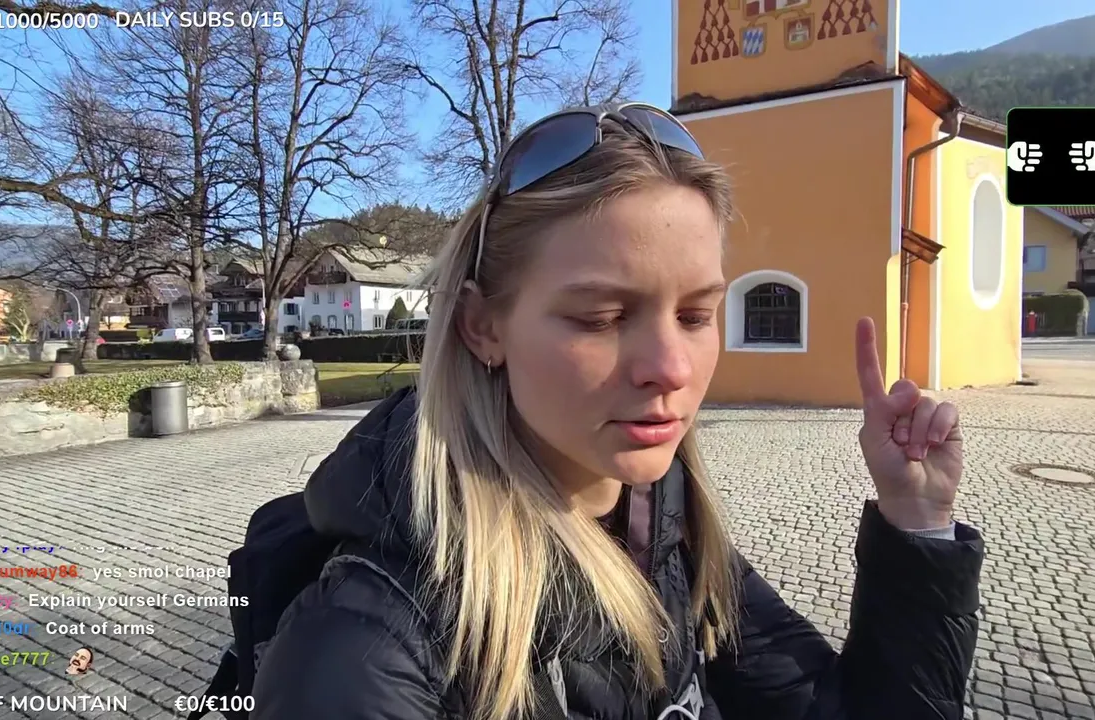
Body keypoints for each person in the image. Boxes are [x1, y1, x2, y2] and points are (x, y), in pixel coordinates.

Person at [253, 102, 983, 720]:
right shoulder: (361, 655)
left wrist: (916, 526)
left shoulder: (670, 527)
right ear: (482, 326)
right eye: (601, 318)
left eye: (696, 315)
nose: (672, 368)